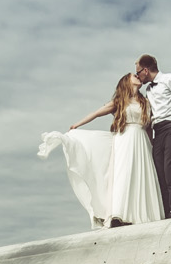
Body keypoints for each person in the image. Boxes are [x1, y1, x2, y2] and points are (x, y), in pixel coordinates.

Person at [38, 73, 163, 228]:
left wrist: (151, 146)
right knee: (123, 174)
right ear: (126, 81)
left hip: (141, 140)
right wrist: (77, 125)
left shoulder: (145, 102)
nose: (137, 76)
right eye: (134, 76)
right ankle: (119, 214)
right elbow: (96, 113)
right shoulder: (119, 101)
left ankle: (142, 215)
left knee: (141, 174)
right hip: (124, 139)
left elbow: (149, 127)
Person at [132, 54, 171, 218]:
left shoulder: (170, 79)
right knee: (159, 173)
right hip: (158, 131)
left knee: (170, 171)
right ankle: (165, 212)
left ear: (145, 70)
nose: (137, 76)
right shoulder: (148, 90)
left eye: (138, 72)